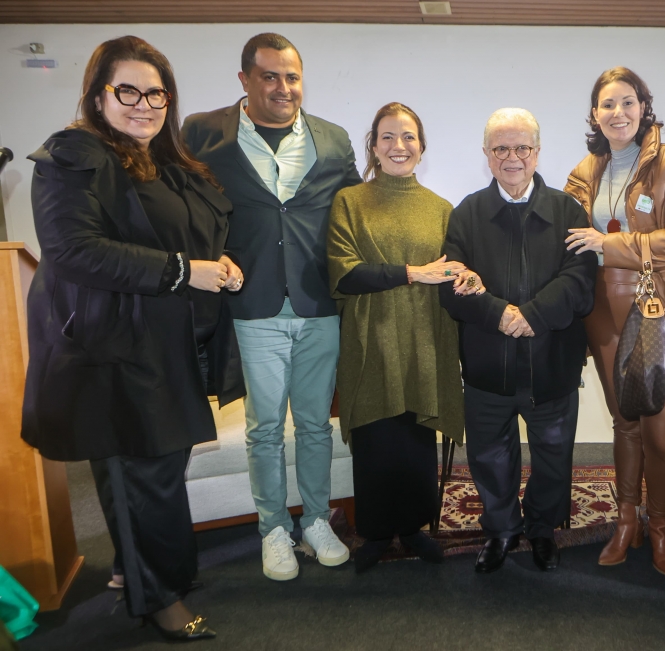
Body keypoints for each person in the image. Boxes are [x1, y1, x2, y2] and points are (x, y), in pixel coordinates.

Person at [22, 35, 245, 641]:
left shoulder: (166, 164)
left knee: (157, 469)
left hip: (165, 345)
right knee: (142, 475)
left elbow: (191, 238)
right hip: (113, 350)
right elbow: (73, 250)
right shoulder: (75, 154)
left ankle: (145, 573)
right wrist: (184, 270)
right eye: (128, 91)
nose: (144, 104)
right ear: (98, 95)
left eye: (156, 93)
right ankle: (160, 598)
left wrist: (219, 263)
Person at [183, 32, 361, 581]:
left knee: (314, 425)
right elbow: (184, 207)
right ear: (245, 80)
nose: (283, 87)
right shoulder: (203, 133)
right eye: (269, 76)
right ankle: (273, 530)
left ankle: (316, 520)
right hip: (251, 303)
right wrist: (205, 259)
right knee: (263, 428)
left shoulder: (333, 138)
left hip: (317, 303)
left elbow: (355, 210)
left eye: (292, 77)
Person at [564, 67, 665, 576]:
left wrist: (611, 244)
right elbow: (566, 237)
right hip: (603, 308)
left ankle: (660, 526)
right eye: (608, 104)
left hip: (659, 306)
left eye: (628, 102)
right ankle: (626, 521)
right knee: (625, 423)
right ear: (594, 114)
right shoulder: (585, 171)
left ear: (644, 107)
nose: (618, 113)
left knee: (662, 433)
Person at [440, 108, 597, 574]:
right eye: (501, 148)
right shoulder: (467, 214)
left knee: (553, 455)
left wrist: (532, 315)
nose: (512, 157)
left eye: (522, 147)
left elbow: (580, 281)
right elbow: (452, 284)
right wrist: (500, 314)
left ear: (537, 152)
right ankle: (502, 529)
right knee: (489, 456)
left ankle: (542, 528)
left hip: (552, 365)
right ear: (487, 155)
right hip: (488, 367)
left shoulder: (568, 211)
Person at [326, 102, 471, 572]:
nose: (398, 146)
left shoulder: (441, 210)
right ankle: (374, 532)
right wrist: (411, 272)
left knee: (414, 438)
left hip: (424, 337)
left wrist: (464, 275)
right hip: (370, 338)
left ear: (421, 147)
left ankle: (412, 528)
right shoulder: (350, 202)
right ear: (373, 146)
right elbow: (345, 273)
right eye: (387, 137)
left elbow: (451, 273)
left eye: (408, 137)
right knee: (375, 436)